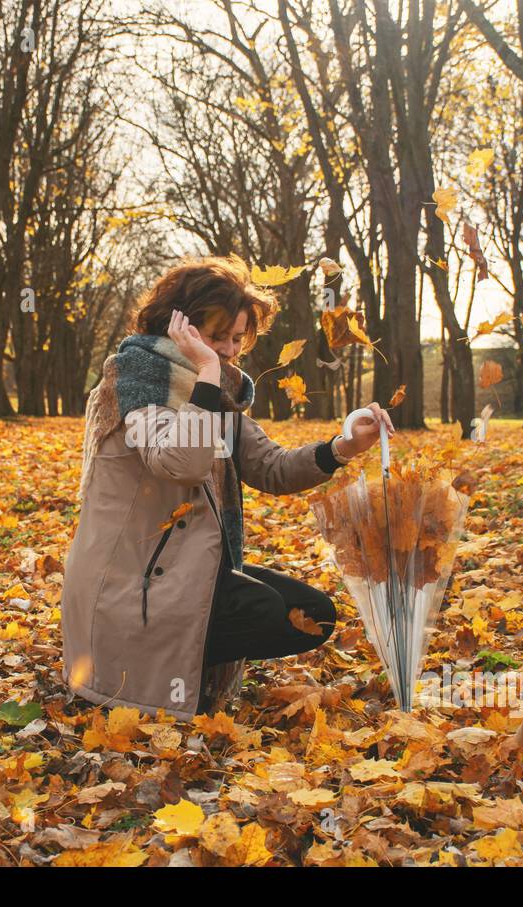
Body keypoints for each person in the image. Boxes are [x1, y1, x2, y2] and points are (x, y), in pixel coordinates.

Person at [61, 253, 394, 720]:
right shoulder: (137, 380)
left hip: (178, 570)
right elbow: (180, 463)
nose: (231, 350)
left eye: (238, 338)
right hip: (132, 587)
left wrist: (343, 446)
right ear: (177, 326)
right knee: (261, 608)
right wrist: (208, 375)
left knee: (310, 612)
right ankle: (162, 680)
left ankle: (189, 670)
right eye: (217, 337)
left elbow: (272, 467)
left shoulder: (215, 391)